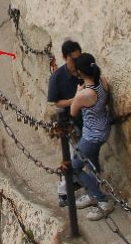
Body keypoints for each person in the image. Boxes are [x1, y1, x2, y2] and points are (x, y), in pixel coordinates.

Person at [69, 53, 114, 220]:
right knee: (92, 163)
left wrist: (77, 92)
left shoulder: (84, 94)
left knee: (74, 167)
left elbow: (72, 112)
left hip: (91, 136)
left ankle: (102, 200)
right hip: (103, 128)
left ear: (80, 72)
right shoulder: (103, 83)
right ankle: (92, 192)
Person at [48, 40, 84, 208]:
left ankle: (76, 182)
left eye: (78, 58)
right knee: (70, 156)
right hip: (69, 124)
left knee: (81, 156)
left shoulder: (81, 70)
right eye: (73, 59)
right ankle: (63, 192)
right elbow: (55, 102)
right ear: (65, 57)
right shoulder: (57, 77)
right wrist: (74, 100)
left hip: (84, 120)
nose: (76, 62)